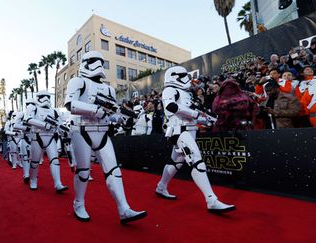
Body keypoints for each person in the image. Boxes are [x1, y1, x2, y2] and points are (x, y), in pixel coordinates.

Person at [65, 50, 147, 224]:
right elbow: (70, 104)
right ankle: (78, 203)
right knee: (83, 171)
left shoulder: (108, 88)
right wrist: (95, 110)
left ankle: (123, 208)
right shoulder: (78, 81)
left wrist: (122, 119)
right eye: (95, 60)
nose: (99, 65)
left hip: (102, 131)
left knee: (114, 171)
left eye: (101, 61)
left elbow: (111, 114)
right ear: (86, 63)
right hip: (81, 130)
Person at [155, 66, 236, 213]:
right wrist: (197, 115)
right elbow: (171, 107)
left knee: (176, 162)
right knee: (196, 159)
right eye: (183, 75)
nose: (186, 78)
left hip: (189, 130)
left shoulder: (186, 94)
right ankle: (211, 200)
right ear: (175, 77)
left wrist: (207, 119)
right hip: (179, 130)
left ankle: (161, 187)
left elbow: (193, 112)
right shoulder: (170, 90)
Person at [25, 90, 68, 192]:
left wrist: (63, 131)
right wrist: (44, 125)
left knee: (55, 160)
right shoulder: (33, 108)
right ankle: (33, 180)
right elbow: (28, 119)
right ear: (38, 98)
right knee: (35, 161)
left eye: (48, 97)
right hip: (37, 136)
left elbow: (60, 123)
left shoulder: (54, 111)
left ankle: (58, 183)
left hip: (50, 137)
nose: (46, 99)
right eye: (43, 96)